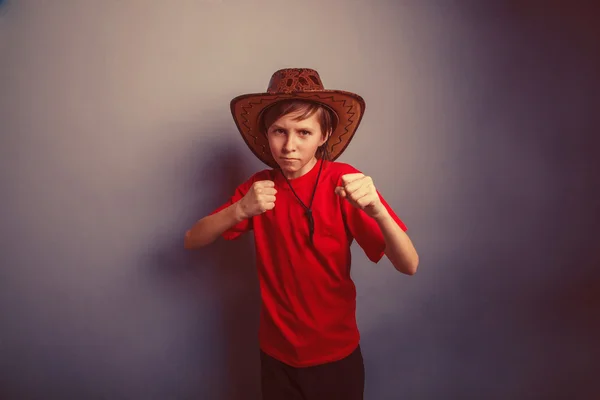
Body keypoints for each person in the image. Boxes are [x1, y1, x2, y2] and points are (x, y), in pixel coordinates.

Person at [184, 68, 418, 400]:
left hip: (336, 358)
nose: (289, 145)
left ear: (324, 135)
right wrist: (238, 210)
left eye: (304, 132)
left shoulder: (344, 181)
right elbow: (193, 238)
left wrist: (377, 209)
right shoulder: (258, 187)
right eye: (279, 131)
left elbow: (409, 264)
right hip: (277, 357)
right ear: (267, 133)